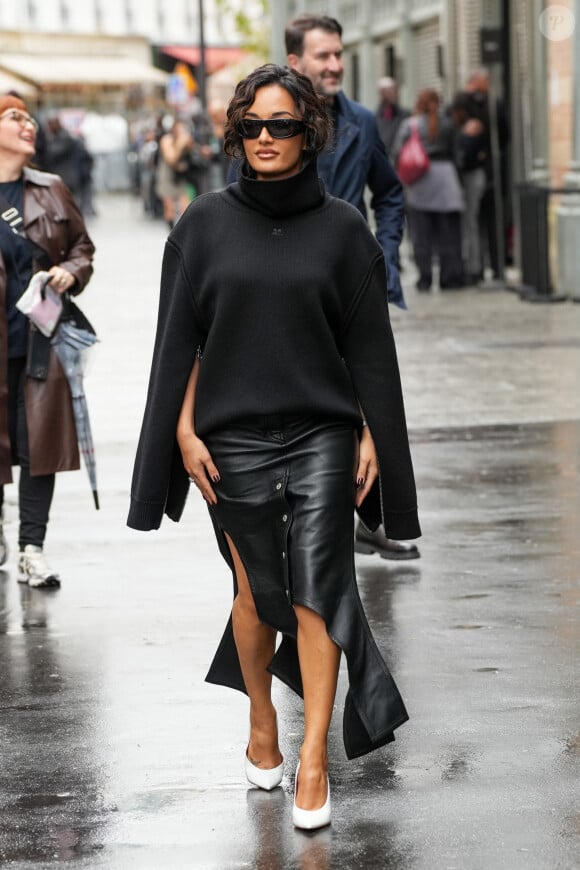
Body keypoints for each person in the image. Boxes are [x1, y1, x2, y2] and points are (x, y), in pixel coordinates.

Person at [127, 65, 420, 830]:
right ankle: (261, 712)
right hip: (230, 438)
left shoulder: (343, 231)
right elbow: (177, 344)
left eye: (281, 124)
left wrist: (369, 432)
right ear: (235, 132)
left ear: (309, 132)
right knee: (257, 595)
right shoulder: (201, 223)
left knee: (317, 592)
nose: (265, 138)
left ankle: (314, 759)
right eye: (252, 125)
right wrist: (184, 431)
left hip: (322, 431)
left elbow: (367, 350)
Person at [285, 13, 419, 561]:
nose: (335, 63)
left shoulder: (361, 121)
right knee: (311, 403)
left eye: (338, 53)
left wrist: (382, 255)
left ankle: (373, 516)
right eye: (323, 55)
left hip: (355, 289)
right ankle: (309, 522)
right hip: (292, 293)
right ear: (296, 62)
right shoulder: (272, 121)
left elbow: (389, 192)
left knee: (371, 399)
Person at [0, 94, 95, 586]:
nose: (28, 124)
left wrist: (68, 271)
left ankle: (31, 549)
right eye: (15, 117)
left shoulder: (50, 188)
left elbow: (83, 247)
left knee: (40, 446)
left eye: (29, 117)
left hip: (40, 339)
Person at [392, 88, 465, 291]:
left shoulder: (410, 125)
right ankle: (448, 278)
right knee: (449, 233)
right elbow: (458, 155)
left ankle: (424, 278)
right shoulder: (449, 124)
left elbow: (397, 153)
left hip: (420, 181)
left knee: (421, 234)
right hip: (446, 179)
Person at [155, 118, 197, 230]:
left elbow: (192, 153)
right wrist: (180, 144)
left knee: (185, 205)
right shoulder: (166, 139)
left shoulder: (185, 140)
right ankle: (171, 231)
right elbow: (171, 158)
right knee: (169, 207)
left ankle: (185, 230)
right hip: (167, 175)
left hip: (180, 176)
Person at [375, 76, 410, 160]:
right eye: (391, 90)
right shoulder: (375, 116)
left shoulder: (405, 115)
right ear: (382, 93)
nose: (396, 93)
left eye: (396, 90)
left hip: (401, 161)